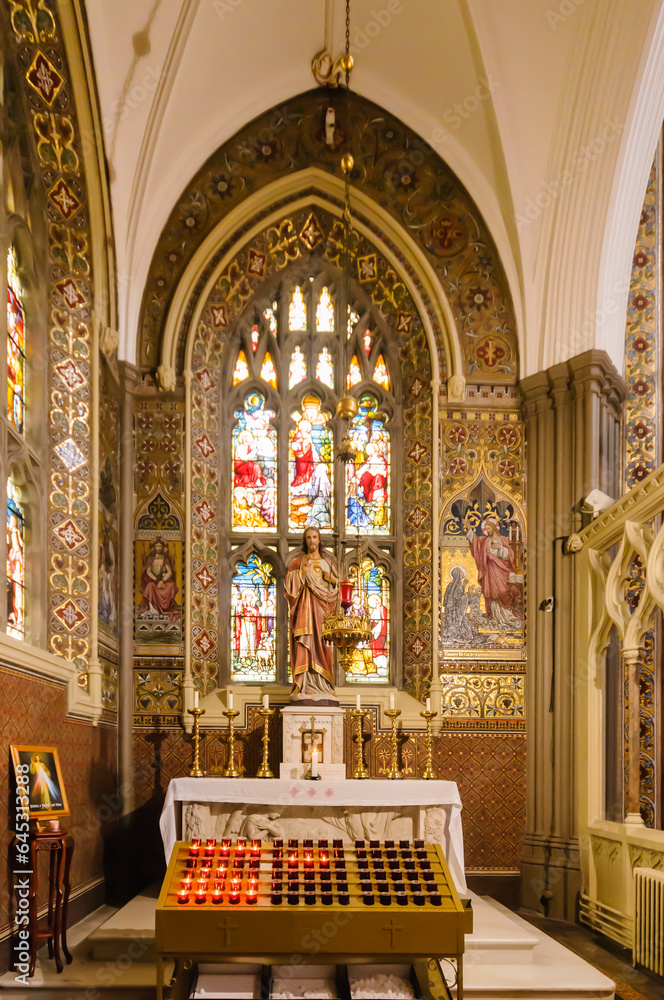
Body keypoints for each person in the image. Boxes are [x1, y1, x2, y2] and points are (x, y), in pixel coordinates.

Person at [285, 527, 338, 703]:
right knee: (305, 643)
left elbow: (337, 592)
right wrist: (302, 573)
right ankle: (305, 684)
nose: (312, 540)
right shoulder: (297, 562)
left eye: (315, 537)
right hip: (304, 610)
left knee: (323, 645)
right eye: (308, 537)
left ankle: (325, 685)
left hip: (323, 612)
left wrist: (333, 581)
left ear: (319, 540)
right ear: (305, 541)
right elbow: (289, 589)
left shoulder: (328, 563)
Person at [466, 516, 523, 628]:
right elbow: (476, 544)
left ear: (493, 527)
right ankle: (495, 617)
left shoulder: (503, 539)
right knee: (492, 593)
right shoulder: (485, 540)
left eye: (489, 528)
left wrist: (500, 549)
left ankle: (507, 614)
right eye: (486, 529)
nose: (487, 531)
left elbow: (510, 554)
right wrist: (469, 529)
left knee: (502, 591)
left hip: (501, 569)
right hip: (489, 570)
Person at [138, 537, 180, 620]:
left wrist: (162, 581)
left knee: (171, 585)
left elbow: (170, 572)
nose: (158, 548)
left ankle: (166, 608)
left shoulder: (165, 559)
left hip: (164, 580)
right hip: (154, 580)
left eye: (160, 546)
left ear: (163, 547)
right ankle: (153, 609)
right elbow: (148, 572)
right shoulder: (150, 559)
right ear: (154, 547)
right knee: (150, 585)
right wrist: (157, 581)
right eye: (157, 546)